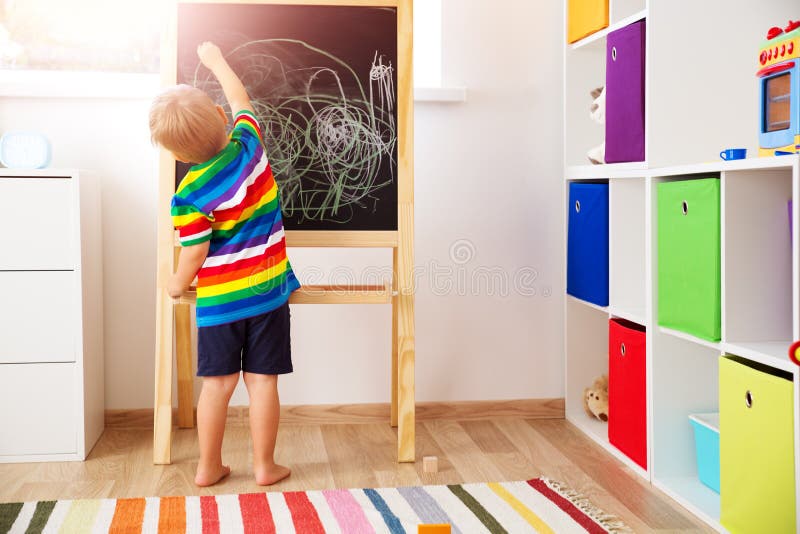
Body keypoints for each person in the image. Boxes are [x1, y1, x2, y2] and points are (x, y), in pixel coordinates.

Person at [149, 41, 300, 487]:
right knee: (263, 382)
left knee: (216, 385)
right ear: (220, 117)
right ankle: (265, 466)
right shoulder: (249, 144)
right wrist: (216, 61)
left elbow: (194, 253)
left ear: (177, 157)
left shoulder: (188, 196)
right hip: (267, 294)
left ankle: (207, 466)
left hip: (220, 304)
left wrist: (176, 284)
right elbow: (241, 99)